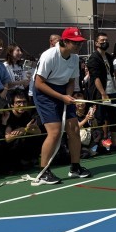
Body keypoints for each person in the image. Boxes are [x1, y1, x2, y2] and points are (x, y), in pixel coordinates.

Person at [32, 27, 91, 184]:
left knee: (74, 129)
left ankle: (75, 167)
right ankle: (43, 172)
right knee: (55, 132)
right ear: (65, 41)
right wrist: (61, 97)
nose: (79, 45)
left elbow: (71, 81)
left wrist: (68, 96)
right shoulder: (49, 55)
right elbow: (39, 83)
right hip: (44, 91)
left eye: (80, 42)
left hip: (63, 90)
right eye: (75, 42)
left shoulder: (75, 58)